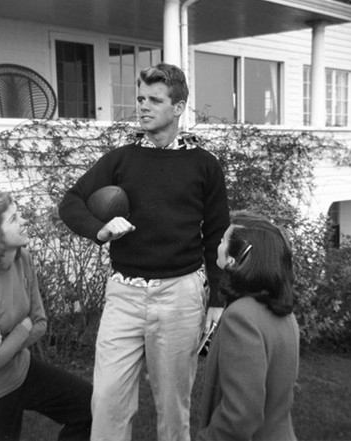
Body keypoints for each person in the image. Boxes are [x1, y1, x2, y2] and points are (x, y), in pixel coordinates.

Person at [58, 63, 230, 441]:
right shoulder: (120, 160)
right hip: (124, 295)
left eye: (155, 99)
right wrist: (99, 230)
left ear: (179, 107)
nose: (144, 106)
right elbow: (71, 202)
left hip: (180, 296)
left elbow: (217, 235)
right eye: (140, 98)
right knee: (106, 402)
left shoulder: (204, 166)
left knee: (173, 410)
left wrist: (217, 298)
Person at [0, 192, 92, 440]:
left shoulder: (22, 258)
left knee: (89, 407)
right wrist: (21, 329)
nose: (24, 221)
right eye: (14, 218)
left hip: (22, 371)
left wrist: (7, 341)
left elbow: (40, 323)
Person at [197, 211, 300, 441]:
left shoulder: (240, 318)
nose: (219, 244)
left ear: (235, 259)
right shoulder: (285, 314)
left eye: (223, 240)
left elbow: (240, 416)